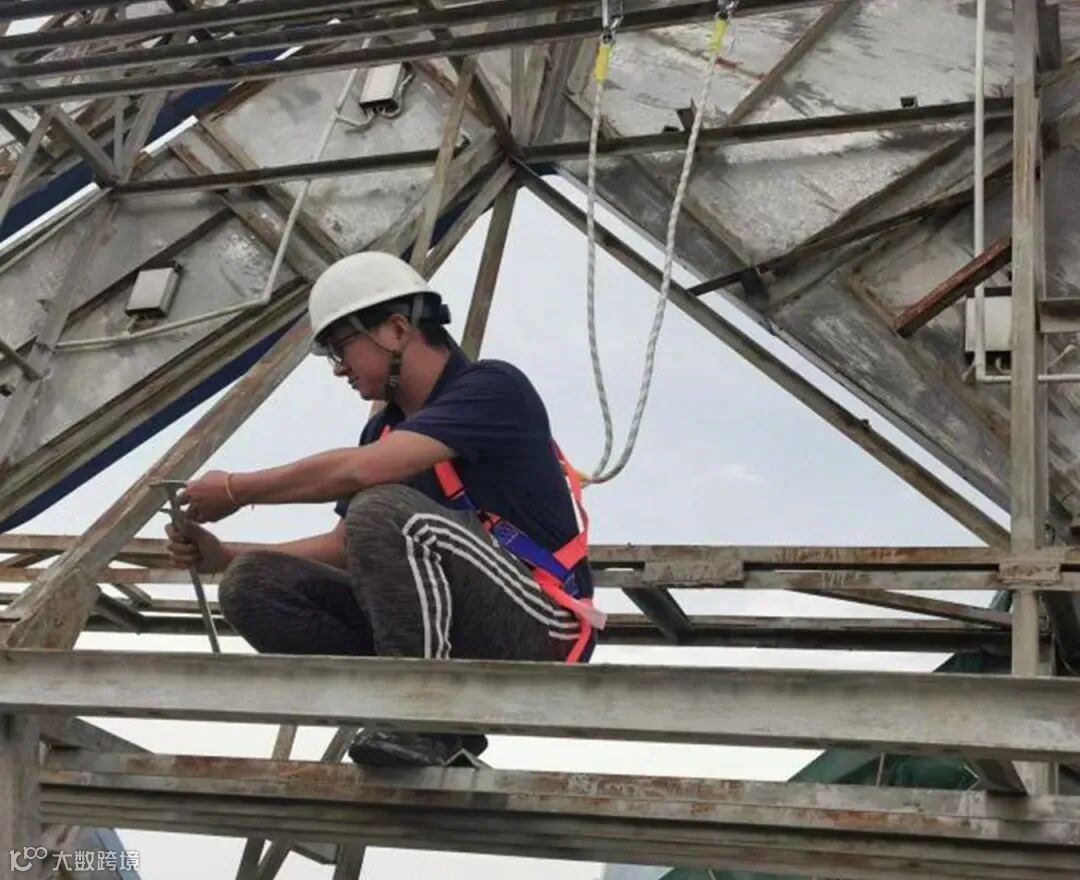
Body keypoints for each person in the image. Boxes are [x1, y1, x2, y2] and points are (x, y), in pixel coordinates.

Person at [166, 251, 603, 767]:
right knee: (253, 583)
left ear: (396, 329)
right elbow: (343, 547)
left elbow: (363, 473)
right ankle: (428, 726)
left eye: (341, 346)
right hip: (450, 625)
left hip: (541, 624)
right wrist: (225, 556)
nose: (339, 368)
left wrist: (236, 489)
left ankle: (419, 719)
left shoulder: (493, 388)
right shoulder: (384, 430)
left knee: (382, 508)